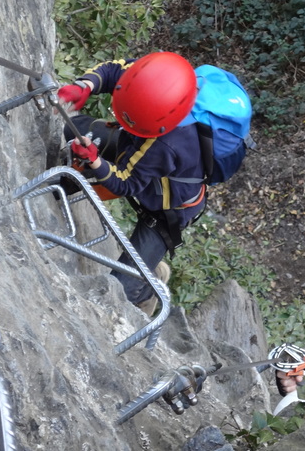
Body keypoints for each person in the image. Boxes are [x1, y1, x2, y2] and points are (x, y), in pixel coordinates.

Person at [57, 52, 207, 316]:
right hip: (135, 145)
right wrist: (85, 85)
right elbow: (115, 69)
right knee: (70, 128)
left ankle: (147, 287)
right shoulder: (154, 83)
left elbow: (127, 183)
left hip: (167, 210)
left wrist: (94, 162)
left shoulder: (166, 144)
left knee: (117, 294)